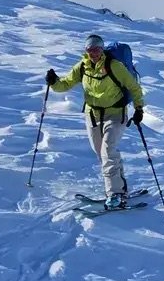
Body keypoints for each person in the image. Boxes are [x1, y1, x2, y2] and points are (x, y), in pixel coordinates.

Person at [46, 33, 146, 209]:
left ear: (102, 49)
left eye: (97, 49)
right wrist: (54, 82)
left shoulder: (114, 66)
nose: (94, 53)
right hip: (92, 115)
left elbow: (133, 87)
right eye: (90, 49)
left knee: (108, 150)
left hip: (116, 113)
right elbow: (66, 84)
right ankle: (120, 188)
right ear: (86, 51)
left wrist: (139, 109)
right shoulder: (82, 67)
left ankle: (115, 193)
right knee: (102, 152)